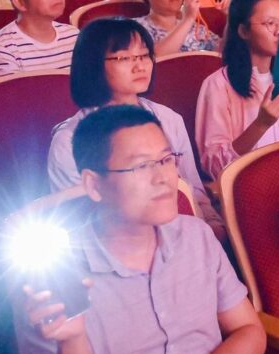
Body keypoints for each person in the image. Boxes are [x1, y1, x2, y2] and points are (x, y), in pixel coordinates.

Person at [16, 105, 266, 354]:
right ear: (94, 185)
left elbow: (248, 328)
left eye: (166, 160)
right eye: (141, 166)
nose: (163, 178)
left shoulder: (196, 236)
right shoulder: (55, 278)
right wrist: (72, 341)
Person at [47, 19, 220, 228]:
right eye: (124, 58)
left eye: (144, 55)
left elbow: (193, 190)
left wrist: (213, 224)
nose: (140, 66)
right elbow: (78, 220)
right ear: (93, 64)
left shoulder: (168, 118)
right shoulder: (68, 141)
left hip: (186, 231)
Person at [195, 0, 279, 180]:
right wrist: (261, 124)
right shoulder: (218, 85)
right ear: (243, 31)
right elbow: (214, 166)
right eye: (270, 23)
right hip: (251, 186)